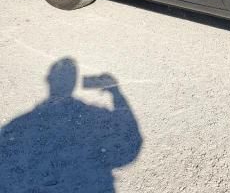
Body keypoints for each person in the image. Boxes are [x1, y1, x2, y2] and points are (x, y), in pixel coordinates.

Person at [0, 58, 142, 192]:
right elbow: (130, 142)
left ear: (48, 80)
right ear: (74, 83)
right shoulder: (93, 119)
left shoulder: (21, 126)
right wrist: (116, 94)